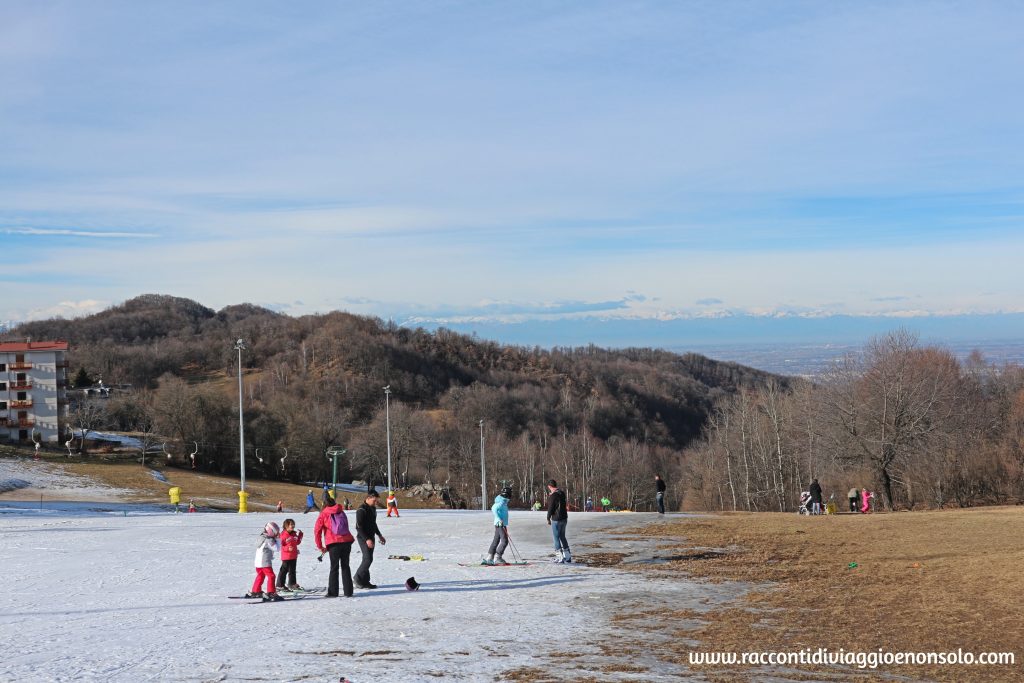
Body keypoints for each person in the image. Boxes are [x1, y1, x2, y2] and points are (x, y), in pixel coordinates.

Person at [314, 496, 355, 598]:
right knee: (346, 566)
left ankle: (333, 592)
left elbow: (317, 531)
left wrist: (320, 546)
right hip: (346, 542)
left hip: (333, 543)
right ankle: (348, 592)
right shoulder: (341, 511)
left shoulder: (324, 514)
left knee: (334, 567)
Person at [355, 490, 387, 589]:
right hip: (363, 538)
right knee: (368, 559)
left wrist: (379, 535)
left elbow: (374, 523)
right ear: (368, 498)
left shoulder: (373, 508)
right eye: (374, 500)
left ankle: (365, 581)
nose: (376, 503)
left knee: (368, 559)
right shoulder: (361, 509)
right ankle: (357, 578)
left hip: (371, 537)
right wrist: (367, 539)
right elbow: (358, 527)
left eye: (377, 501)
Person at [245, 522, 283, 600]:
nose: (276, 535)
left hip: (258, 562)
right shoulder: (269, 540)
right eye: (276, 533)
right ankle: (271, 593)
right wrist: (278, 539)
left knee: (260, 575)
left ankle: (256, 591)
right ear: (271, 531)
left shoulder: (262, 537)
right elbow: (277, 548)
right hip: (264, 562)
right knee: (271, 576)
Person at [484, 486, 512, 565]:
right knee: (505, 541)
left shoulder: (503, 501)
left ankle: (490, 557)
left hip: (500, 524)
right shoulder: (502, 501)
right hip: (500, 524)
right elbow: (493, 508)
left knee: (496, 540)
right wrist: (499, 519)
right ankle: (498, 557)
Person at [546, 479, 571, 563]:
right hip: (564, 518)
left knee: (556, 537)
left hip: (556, 519)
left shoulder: (552, 496)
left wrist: (548, 518)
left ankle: (559, 557)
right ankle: (567, 556)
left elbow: (550, 508)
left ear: (549, 486)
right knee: (562, 536)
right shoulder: (562, 493)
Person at [276, 518, 304, 591]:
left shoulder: (294, 534)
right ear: (286, 526)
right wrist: (287, 549)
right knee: (284, 571)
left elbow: (297, 542)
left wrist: (300, 535)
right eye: (291, 524)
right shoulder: (283, 535)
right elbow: (280, 546)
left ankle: (292, 584)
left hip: (294, 556)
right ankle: (280, 585)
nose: (293, 526)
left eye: (293, 524)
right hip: (286, 556)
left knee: (292, 571)